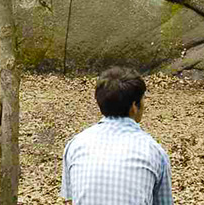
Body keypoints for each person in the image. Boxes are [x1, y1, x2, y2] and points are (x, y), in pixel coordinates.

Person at [60, 67, 173, 205]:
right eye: (143, 99)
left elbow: (71, 200)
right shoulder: (155, 152)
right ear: (134, 106)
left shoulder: (75, 145)